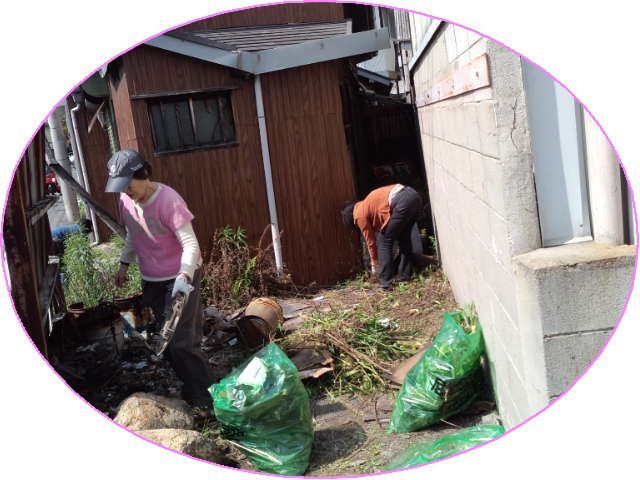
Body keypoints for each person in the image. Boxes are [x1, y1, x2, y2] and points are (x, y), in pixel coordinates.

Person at [105, 149, 215, 414]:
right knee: (163, 341)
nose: (126, 191)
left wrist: (184, 276)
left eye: (128, 185)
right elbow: (133, 233)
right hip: (151, 279)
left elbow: (191, 244)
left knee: (183, 342)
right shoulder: (126, 200)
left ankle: (208, 399)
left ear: (144, 174)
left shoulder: (168, 201)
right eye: (121, 187)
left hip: (180, 277)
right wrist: (124, 263)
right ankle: (191, 388)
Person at [341, 184, 426, 289]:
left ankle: (385, 282)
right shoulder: (367, 204)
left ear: (352, 221)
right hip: (414, 196)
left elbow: (370, 242)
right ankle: (404, 275)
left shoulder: (358, 215)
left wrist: (374, 264)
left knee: (384, 241)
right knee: (404, 239)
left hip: (402, 201)